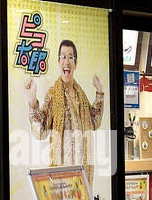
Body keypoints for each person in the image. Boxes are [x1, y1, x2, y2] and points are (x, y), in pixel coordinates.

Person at [25, 39, 105, 184]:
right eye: (63, 57)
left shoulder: (81, 95)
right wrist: (32, 101)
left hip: (83, 174)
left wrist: (99, 91)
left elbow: (94, 122)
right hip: (63, 176)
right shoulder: (53, 95)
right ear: (58, 62)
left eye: (70, 57)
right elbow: (40, 130)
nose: (66, 61)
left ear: (75, 63)